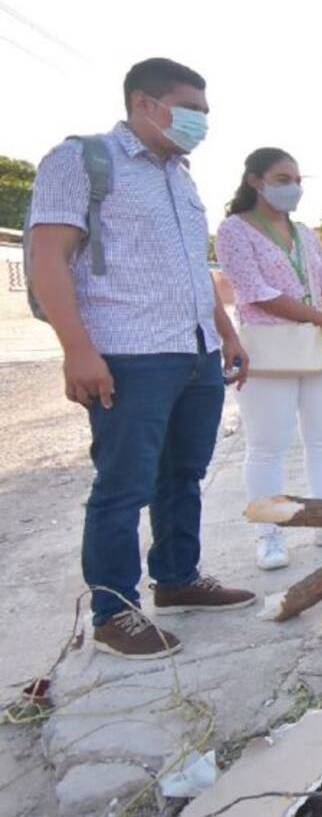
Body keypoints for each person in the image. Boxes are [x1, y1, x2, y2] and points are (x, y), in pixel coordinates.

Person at [27, 57, 255, 660]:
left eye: (205, 113)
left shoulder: (181, 175)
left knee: (183, 475)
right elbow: (47, 257)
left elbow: (192, 267)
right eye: (192, 110)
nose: (201, 123)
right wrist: (76, 349)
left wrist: (225, 332)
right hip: (128, 354)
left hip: (194, 350)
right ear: (144, 104)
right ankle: (114, 612)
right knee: (124, 486)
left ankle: (178, 578)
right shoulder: (81, 160)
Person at [216, 148, 322, 570]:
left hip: (316, 346)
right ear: (256, 181)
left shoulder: (306, 232)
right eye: (282, 178)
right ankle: (269, 533)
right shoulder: (234, 230)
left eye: (296, 179)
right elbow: (256, 292)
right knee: (267, 447)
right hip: (269, 349)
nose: (293, 187)